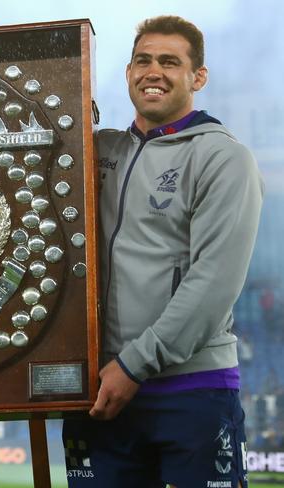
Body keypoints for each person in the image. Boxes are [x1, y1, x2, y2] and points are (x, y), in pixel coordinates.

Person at [62, 16, 263, 488]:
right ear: (129, 73)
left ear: (198, 77)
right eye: (143, 60)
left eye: (170, 62)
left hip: (190, 390)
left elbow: (213, 283)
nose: (153, 71)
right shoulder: (97, 153)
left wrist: (133, 365)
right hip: (100, 392)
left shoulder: (222, 158)